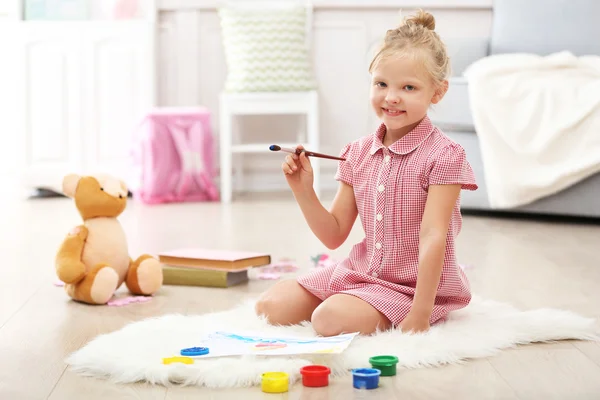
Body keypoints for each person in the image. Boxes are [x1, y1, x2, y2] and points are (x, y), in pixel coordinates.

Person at [255, 9, 478, 336]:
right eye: (381, 83)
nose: (391, 97)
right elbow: (334, 235)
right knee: (270, 307)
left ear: (438, 92)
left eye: (409, 88)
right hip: (358, 274)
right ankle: (354, 301)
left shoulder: (443, 156)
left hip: (409, 288)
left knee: (327, 319)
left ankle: (372, 306)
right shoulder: (358, 152)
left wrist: (420, 313)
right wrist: (303, 189)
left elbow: (434, 236)